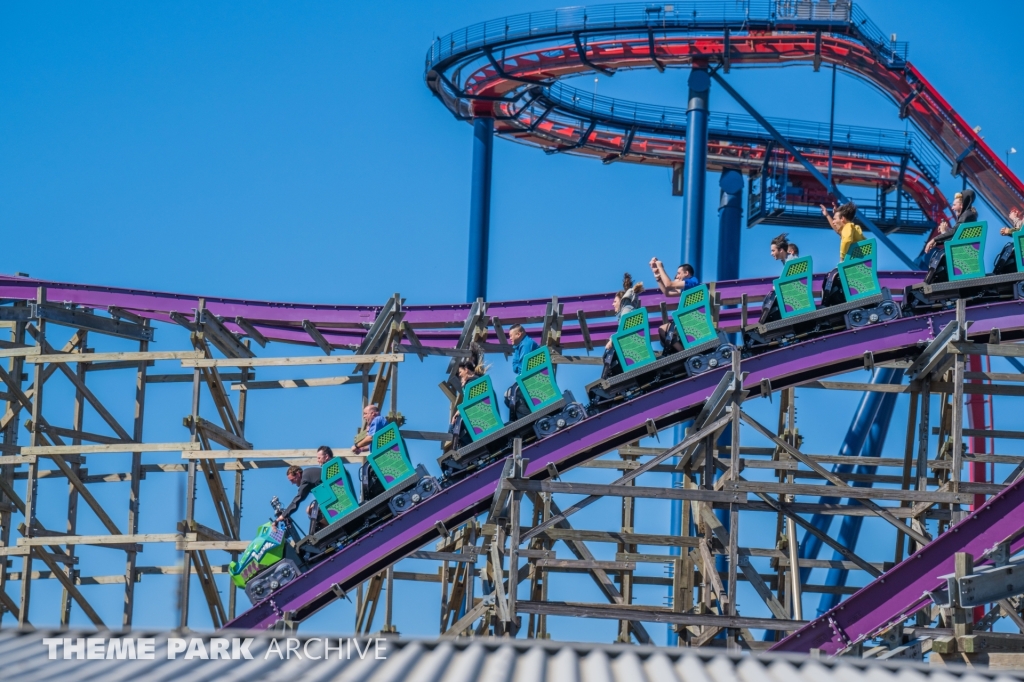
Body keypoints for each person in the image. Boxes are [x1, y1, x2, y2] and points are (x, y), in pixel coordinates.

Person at [648, 260, 699, 354]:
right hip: (687, 319)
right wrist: (658, 276)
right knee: (663, 330)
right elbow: (667, 292)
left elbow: (669, 285)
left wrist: (660, 267)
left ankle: (685, 354)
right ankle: (683, 352)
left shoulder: (692, 281)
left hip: (691, 319)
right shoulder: (687, 288)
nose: (677, 276)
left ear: (686, 273)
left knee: (664, 329)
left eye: (679, 273)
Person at [602, 274, 644, 378]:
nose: (612, 304)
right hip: (631, 348)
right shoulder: (629, 310)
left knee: (609, 354)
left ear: (621, 301)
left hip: (630, 350)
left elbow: (624, 331)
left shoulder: (627, 310)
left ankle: (607, 376)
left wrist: (611, 340)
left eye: (614, 301)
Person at [278, 462, 324, 533]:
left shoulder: (305, 478)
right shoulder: (308, 474)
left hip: (332, 494)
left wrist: (283, 515)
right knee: (310, 509)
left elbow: (299, 497)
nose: (292, 483)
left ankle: (322, 526)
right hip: (329, 493)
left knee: (311, 510)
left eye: (292, 480)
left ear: (298, 474)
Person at [505, 324, 538, 422]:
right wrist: (519, 367)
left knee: (512, 395)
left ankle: (528, 420)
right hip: (528, 377)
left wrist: (519, 367)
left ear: (518, 334)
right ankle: (522, 419)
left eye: (511, 335)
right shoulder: (518, 346)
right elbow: (515, 368)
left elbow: (523, 367)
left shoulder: (526, 344)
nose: (510, 338)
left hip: (533, 378)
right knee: (508, 396)